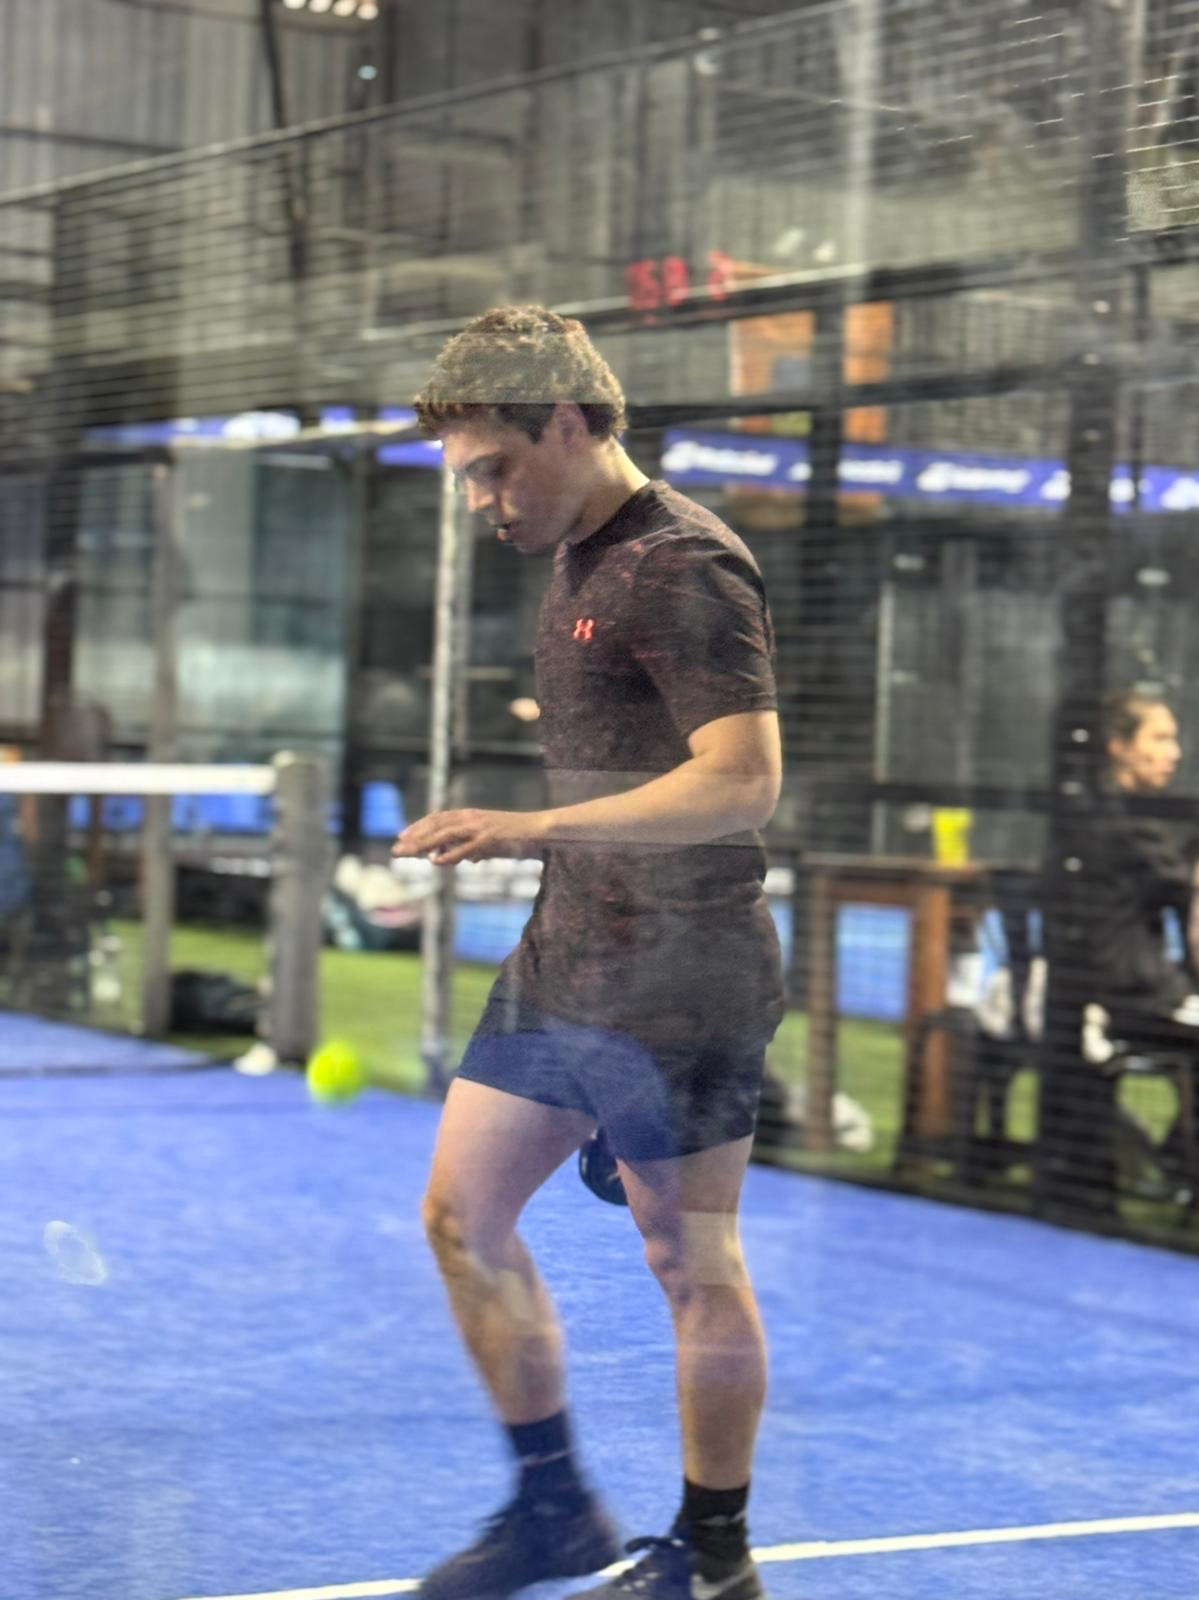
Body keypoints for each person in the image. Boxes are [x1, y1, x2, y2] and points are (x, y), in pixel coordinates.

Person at [393, 306, 784, 1600]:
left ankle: (714, 1560)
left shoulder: (683, 563)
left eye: (494, 469)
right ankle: (556, 1510)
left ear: (567, 421)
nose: (481, 504)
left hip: (685, 975)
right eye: (466, 479)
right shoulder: (578, 555)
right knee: (462, 1219)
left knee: (689, 1260)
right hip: (572, 953)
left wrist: (532, 823)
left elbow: (743, 781)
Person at [1070, 690, 1199, 1182]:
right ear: (1119, 747)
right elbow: (1183, 884)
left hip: (1135, 991)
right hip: (1126, 999)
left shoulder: (1113, 815)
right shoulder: (1120, 825)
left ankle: (1179, 1158)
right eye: (1159, 738)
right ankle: (1181, 1162)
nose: (1174, 753)